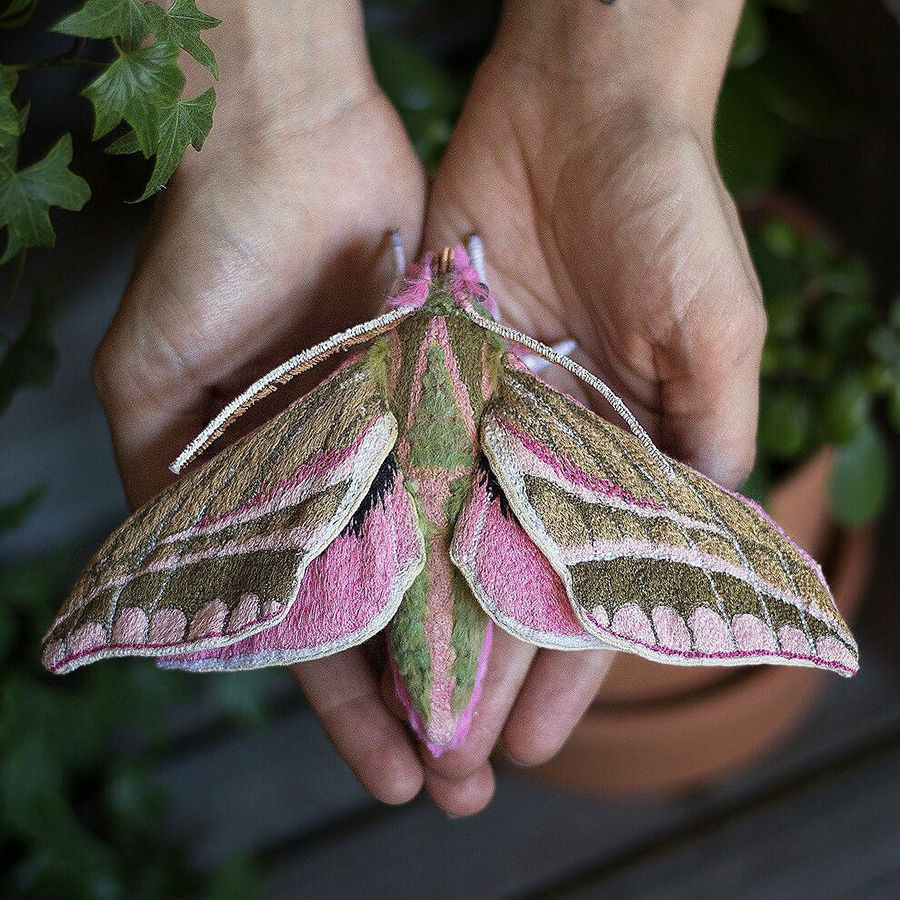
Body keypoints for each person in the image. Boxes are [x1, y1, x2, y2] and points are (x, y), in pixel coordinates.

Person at [91, 0, 766, 817]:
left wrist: (271, 123)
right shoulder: (521, 371)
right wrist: (622, 93)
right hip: (498, 484)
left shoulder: (351, 371)